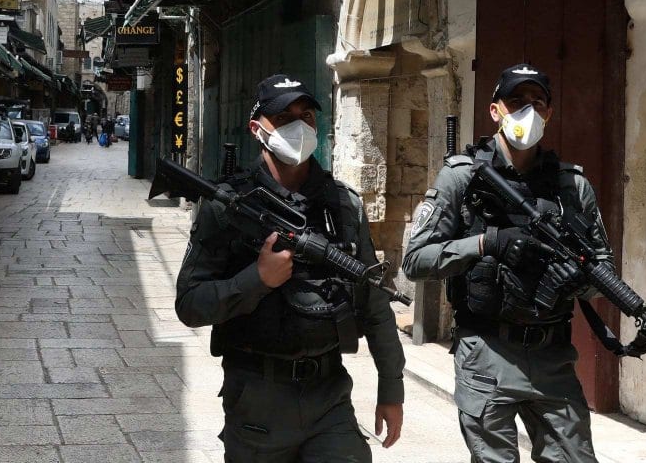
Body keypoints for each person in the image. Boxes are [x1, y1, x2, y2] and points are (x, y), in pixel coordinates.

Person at [176, 74, 405, 463]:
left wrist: (391, 387)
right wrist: (256, 280)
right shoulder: (228, 205)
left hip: (330, 396)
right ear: (257, 129)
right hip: (258, 400)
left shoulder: (343, 204)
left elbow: (373, 301)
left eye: (306, 116)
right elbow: (190, 304)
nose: (299, 127)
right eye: (284, 119)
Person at [403, 63, 616, 463]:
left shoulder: (573, 186)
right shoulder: (462, 178)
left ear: (549, 114)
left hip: (553, 356)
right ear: (494, 111)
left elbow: (604, 269)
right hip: (487, 352)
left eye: (537, 102)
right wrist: (485, 243)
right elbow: (415, 260)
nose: (527, 111)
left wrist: (578, 280)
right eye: (516, 101)